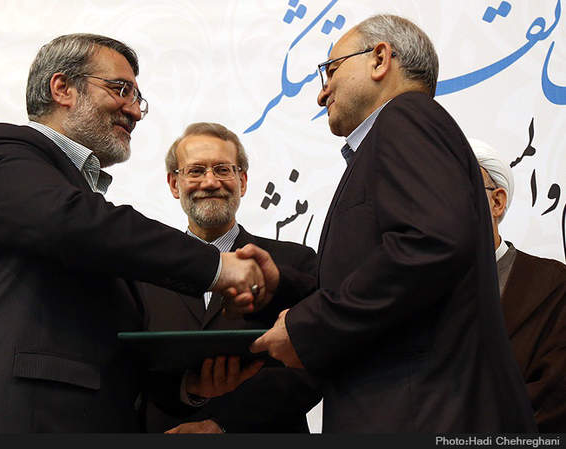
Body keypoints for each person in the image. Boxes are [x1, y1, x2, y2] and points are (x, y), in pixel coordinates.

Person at [0, 33, 265, 433]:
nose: (135, 111)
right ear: (62, 89)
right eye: (121, 90)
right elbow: (75, 222)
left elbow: (113, 353)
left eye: (138, 98)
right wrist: (218, 267)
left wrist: (189, 387)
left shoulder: (93, 224)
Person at [239, 14, 537, 431]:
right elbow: (385, 274)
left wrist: (308, 327)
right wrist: (282, 288)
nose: (321, 94)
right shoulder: (393, 136)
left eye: (331, 71)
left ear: (380, 59)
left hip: (421, 417)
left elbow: (429, 244)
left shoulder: (406, 116)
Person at [137, 122, 321, 433]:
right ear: (174, 184)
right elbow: (131, 371)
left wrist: (223, 425)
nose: (210, 182)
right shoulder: (143, 272)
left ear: (242, 181)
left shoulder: (295, 263)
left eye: (223, 170)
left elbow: (313, 362)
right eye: (196, 171)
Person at [470, 137, 566, 432]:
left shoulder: (554, 285)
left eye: (457, 190)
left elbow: (552, 399)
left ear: (496, 202)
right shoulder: (417, 290)